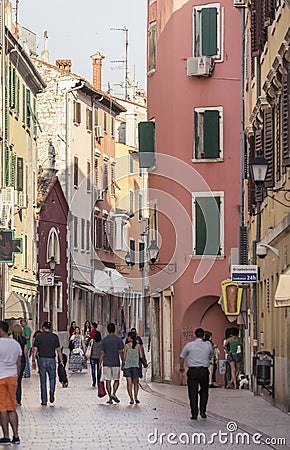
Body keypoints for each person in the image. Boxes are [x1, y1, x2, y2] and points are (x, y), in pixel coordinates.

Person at [179, 328, 213, 420]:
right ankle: (203, 411)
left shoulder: (189, 345)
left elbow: (182, 357)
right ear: (203, 336)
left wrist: (181, 367)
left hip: (193, 371)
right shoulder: (208, 345)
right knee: (204, 391)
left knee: (192, 392)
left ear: (195, 335)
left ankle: (194, 413)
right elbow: (211, 355)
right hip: (204, 371)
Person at [0, 320, 22, 445]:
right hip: (12, 377)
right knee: (12, 407)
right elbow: (18, 363)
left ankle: (6, 436)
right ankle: (16, 435)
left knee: (2, 407)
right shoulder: (15, 344)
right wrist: (16, 376)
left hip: (1, 377)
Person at [32, 321, 63, 406]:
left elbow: (35, 349)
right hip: (51, 359)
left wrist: (33, 360)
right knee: (52, 378)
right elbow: (58, 350)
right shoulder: (54, 337)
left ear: (43, 327)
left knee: (43, 380)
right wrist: (61, 361)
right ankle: (52, 391)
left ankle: (44, 400)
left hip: (41, 359)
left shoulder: (39, 336)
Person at [99, 323, 124, 404]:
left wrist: (100, 363)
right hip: (116, 362)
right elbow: (121, 352)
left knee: (108, 381)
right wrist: (123, 362)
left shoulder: (104, 340)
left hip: (106, 363)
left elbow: (102, 353)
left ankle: (110, 398)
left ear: (107, 330)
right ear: (114, 329)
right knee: (116, 380)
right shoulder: (118, 339)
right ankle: (114, 393)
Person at [122, 331, 144, 404]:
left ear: (130, 337)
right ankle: (136, 397)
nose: (127, 338)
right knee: (136, 383)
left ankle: (131, 399)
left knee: (129, 383)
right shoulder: (138, 346)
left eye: (128, 336)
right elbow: (141, 356)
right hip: (136, 366)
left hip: (127, 366)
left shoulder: (126, 346)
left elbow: (124, 357)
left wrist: (123, 365)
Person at [11, 324, 27, 406]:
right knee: (19, 380)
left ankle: (12, 398)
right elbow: (25, 351)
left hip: (13, 361)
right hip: (22, 361)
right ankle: (18, 399)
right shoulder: (23, 339)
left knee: (12, 380)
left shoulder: (11, 340)